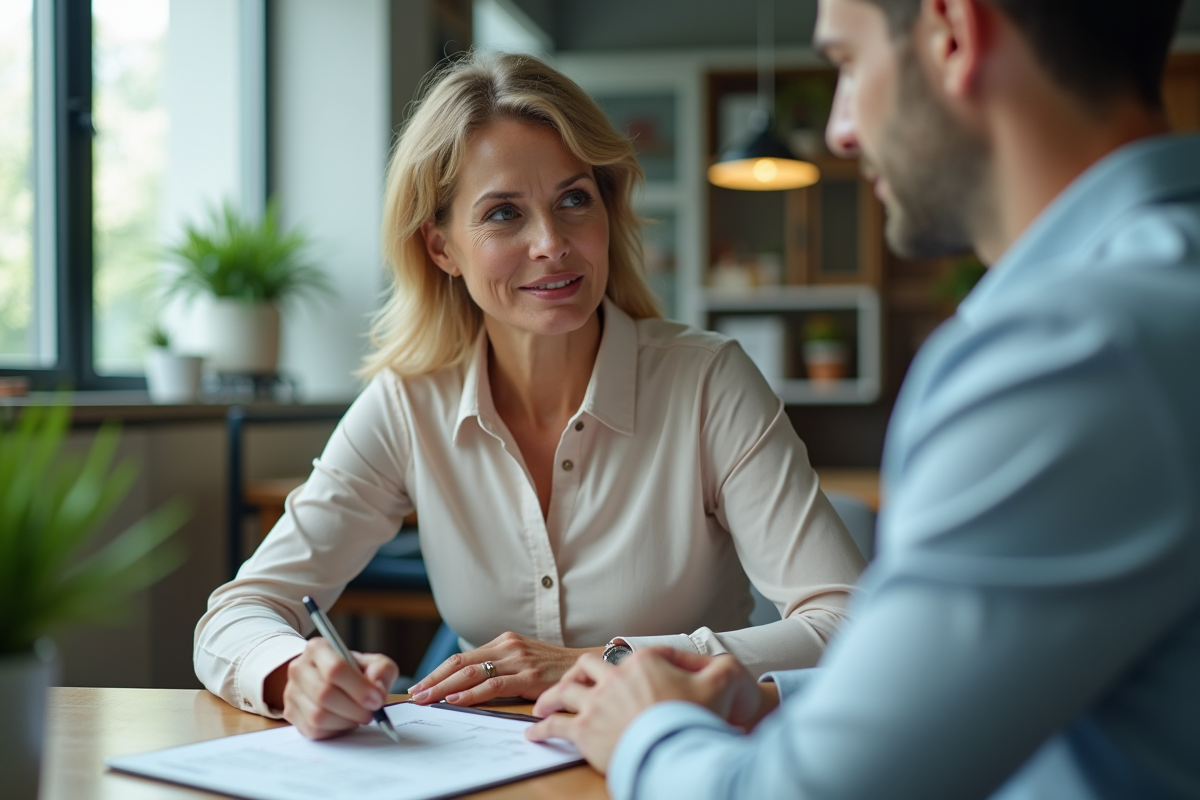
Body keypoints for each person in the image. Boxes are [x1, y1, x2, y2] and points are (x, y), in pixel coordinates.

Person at [526, 1, 1200, 798]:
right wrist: (772, 692)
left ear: (954, 33)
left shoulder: (1072, 354)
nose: (843, 131)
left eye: (847, 63)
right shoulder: (1155, 291)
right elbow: (1029, 677)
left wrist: (647, 730)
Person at [194, 52, 865, 740]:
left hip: (682, 755)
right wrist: (294, 673)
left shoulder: (707, 381)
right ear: (441, 247)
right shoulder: (408, 402)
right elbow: (238, 614)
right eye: (504, 214)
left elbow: (847, 623)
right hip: (490, 766)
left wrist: (606, 664)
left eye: (575, 199)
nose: (552, 243)